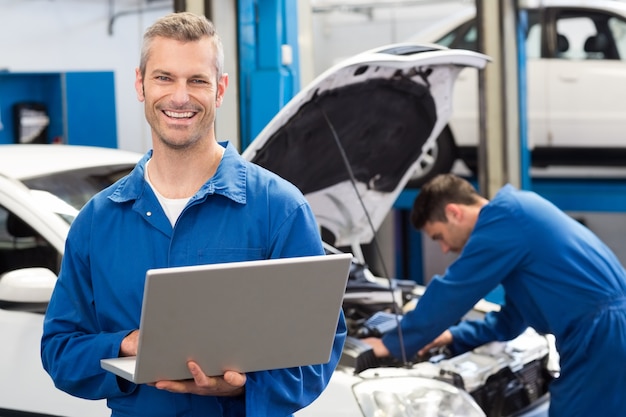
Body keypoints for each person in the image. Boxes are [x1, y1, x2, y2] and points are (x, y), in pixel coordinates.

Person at [41, 12, 346, 417]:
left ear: (219, 90)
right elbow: (60, 350)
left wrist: (243, 389)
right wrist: (126, 345)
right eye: (164, 78)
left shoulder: (279, 208)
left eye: (197, 80)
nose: (180, 97)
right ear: (140, 84)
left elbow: (318, 347)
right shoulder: (98, 221)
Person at [363, 173, 626, 416]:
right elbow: (511, 320)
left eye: (439, 237)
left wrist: (393, 342)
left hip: (602, 334)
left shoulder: (504, 219)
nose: (444, 249)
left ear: (453, 212)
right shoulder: (516, 215)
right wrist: (453, 335)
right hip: (605, 331)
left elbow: (454, 290)